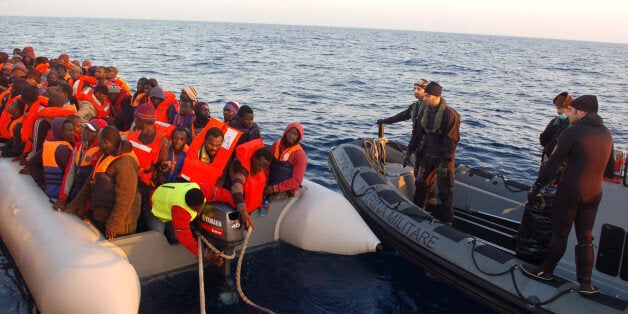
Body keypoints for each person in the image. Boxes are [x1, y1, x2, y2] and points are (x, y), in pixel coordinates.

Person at [520, 95, 613, 295]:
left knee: (560, 233)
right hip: (594, 194)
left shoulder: (573, 132)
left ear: (580, 112)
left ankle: (545, 271)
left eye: (570, 110)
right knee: (586, 238)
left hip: (570, 191)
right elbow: (610, 170)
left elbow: (551, 166)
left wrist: (535, 188)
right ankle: (586, 284)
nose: (567, 114)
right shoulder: (607, 134)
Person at [66, 125, 141, 239]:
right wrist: (76, 205)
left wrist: (113, 225)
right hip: (103, 214)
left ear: (106, 142)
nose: (97, 141)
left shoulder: (125, 163)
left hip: (121, 223)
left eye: (99, 139)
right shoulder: (105, 155)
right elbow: (90, 183)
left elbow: (126, 198)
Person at [406, 82, 460, 226]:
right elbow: (417, 134)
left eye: (427, 96)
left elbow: (452, 141)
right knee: (421, 183)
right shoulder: (426, 111)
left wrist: (445, 162)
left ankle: (447, 221)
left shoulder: (450, 115)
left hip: (443, 157)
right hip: (428, 154)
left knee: (445, 190)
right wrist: (409, 152)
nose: (424, 98)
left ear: (436, 96)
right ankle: (418, 211)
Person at [150, 182, 231, 265]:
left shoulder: (204, 190)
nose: (199, 212)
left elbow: (225, 194)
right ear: (189, 206)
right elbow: (185, 239)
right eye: (196, 210)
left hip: (167, 195)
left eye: (201, 206)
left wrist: (242, 210)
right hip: (155, 208)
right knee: (158, 237)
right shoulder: (180, 210)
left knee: (176, 234)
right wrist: (208, 255)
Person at [53, 119, 106, 211]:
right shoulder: (78, 147)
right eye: (86, 128)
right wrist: (63, 198)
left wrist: (84, 206)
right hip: (75, 194)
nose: (86, 132)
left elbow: (94, 183)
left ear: (100, 135)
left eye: (91, 131)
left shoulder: (101, 153)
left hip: (87, 202)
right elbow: (70, 172)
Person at [227, 138, 272, 230]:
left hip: (246, 205)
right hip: (230, 200)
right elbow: (236, 187)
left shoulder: (257, 168)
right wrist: (243, 213)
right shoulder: (241, 169)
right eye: (260, 165)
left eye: (264, 167)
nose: (261, 169)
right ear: (254, 158)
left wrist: (260, 202)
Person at [27, 117, 74, 199]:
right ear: (59, 131)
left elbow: (32, 163)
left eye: (72, 130)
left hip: (50, 190)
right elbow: (70, 173)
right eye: (68, 130)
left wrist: (42, 182)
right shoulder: (63, 149)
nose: (72, 133)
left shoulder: (48, 145)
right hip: (63, 192)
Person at [265, 122, 307, 197]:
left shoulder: (300, 155)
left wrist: (274, 188)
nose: (291, 136)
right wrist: (264, 183)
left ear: (299, 137)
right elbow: (267, 166)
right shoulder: (276, 145)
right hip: (269, 185)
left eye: (295, 134)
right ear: (285, 132)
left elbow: (296, 180)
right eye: (290, 132)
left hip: (285, 191)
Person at [539, 92, 572, 165]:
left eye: (560, 108)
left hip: (553, 161)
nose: (557, 111)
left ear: (569, 109)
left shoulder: (556, 121)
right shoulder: (579, 123)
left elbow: (543, 140)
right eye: (557, 108)